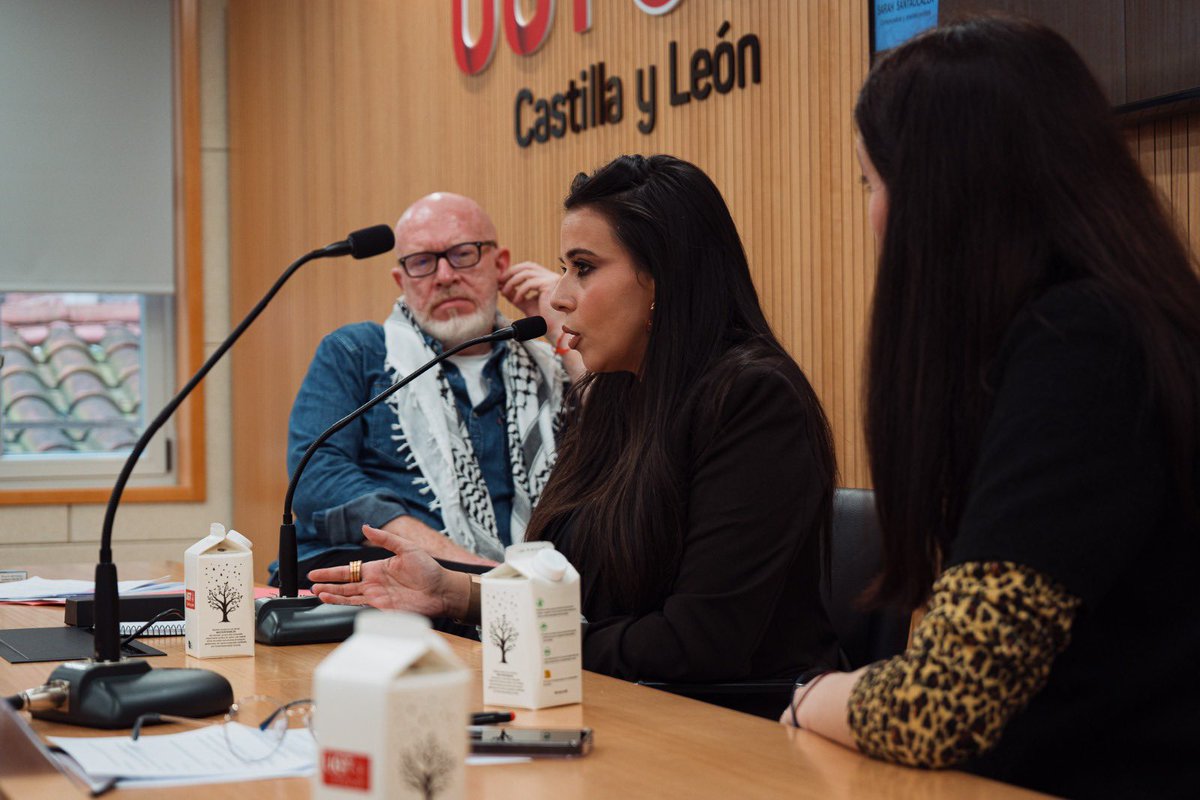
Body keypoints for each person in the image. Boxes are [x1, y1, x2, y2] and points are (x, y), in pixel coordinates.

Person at [782, 17, 1200, 800]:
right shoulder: (1098, 326)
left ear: (943, 195)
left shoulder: (1086, 346)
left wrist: (811, 696)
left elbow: (939, 706)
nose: (872, 216)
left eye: (872, 184)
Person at [310, 155, 841, 710]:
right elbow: (566, 584)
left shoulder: (753, 398)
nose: (559, 296)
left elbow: (697, 645)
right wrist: (454, 593)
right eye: (565, 268)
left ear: (664, 277)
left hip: (731, 727)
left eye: (582, 268)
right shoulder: (618, 392)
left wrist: (533, 636)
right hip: (616, 701)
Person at [280, 192, 573, 587]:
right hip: (390, 595)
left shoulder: (551, 367)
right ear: (401, 281)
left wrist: (563, 334)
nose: (445, 276)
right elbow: (317, 477)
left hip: (534, 594)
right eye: (422, 262)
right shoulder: (357, 353)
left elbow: (622, 444)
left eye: (463, 254)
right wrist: (466, 568)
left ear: (499, 264)